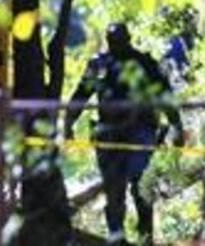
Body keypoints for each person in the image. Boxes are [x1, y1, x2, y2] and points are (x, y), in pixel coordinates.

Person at [64, 23, 184, 245]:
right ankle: (117, 238)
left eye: (119, 41)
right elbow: (81, 93)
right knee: (114, 191)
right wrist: (68, 122)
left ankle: (145, 238)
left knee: (141, 188)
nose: (116, 45)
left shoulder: (144, 63)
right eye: (113, 41)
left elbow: (165, 96)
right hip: (109, 135)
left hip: (140, 133)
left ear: (128, 40)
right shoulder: (100, 64)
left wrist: (177, 125)